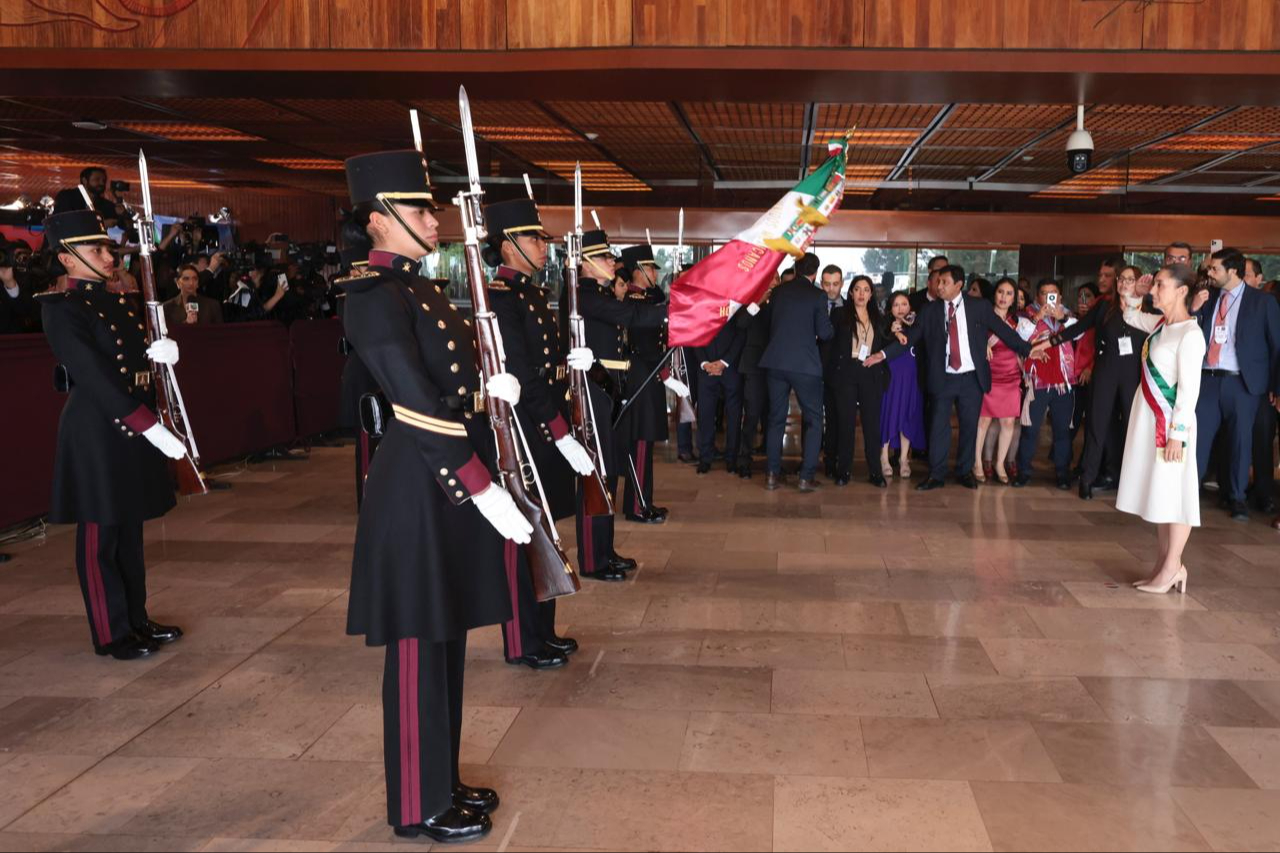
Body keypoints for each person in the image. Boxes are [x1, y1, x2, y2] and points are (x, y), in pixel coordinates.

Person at [339, 150, 526, 843]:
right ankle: (418, 801)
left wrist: (491, 386)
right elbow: (414, 401)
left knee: (445, 637)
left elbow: (450, 381)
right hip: (420, 486)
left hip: (443, 476)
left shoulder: (420, 288)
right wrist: (477, 479)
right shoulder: (371, 296)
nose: (432, 216)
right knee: (420, 645)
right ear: (378, 220)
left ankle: (441, 778)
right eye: (419, 208)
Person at [37, 210, 186, 661]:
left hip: (135, 420)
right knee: (101, 535)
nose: (107, 255)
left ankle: (136, 619)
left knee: (130, 530)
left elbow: (134, 361)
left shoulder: (119, 300)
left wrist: (163, 353)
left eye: (106, 246)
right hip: (98, 428)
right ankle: (111, 632)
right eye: (95, 249)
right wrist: (150, 426)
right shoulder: (60, 308)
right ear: (67, 260)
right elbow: (95, 377)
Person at [484, 197, 595, 669]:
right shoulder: (502, 297)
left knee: (545, 530)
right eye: (533, 238)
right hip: (525, 431)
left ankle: (543, 631)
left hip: (542, 426)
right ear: (508, 246)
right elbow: (524, 375)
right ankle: (522, 640)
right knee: (523, 537)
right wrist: (560, 430)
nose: (541, 246)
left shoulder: (529, 292)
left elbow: (543, 367)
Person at [869, 264, 1045, 490]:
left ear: (958, 285)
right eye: (938, 282)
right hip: (943, 377)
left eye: (944, 282)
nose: (939, 286)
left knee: (969, 426)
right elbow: (910, 338)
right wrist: (883, 354)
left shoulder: (979, 307)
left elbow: (1004, 332)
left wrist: (1028, 350)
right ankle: (937, 474)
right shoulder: (930, 311)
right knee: (938, 427)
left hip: (971, 378)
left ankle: (964, 471)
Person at [562, 230, 661, 581]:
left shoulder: (597, 293)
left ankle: (605, 549)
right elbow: (631, 316)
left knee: (609, 471)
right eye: (604, 258)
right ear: (586, 264)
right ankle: (591, 558)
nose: (612, 263)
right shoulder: (582, 296)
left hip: (606, 391)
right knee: (594, 475)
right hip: (589, 393)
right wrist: (677, 311)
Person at [1115, 265, 1207, 594]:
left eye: (1160, 285)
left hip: (1170, 427)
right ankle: (1164, 563)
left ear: (1182, 291)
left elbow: (1189, 391)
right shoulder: (1160, 325)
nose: (1154, 290)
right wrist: (1134, 293)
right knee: (1162, 494)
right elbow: (1129, 315)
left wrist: (1178, 435)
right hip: (1150, 418)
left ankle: (1174, 567)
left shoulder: (1190, 334)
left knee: (1177, 494)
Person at [1194, 247, 1280, 522]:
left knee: (1240, 442)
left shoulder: (1262, 302)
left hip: (1242, 382)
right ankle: (1186, 494)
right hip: (1207, 379)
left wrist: (1276, 387)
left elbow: (1277, 347)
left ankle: (1237, 498)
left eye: (1214, 269)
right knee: (1197, 439)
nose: (1209, 273)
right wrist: (1194, 309)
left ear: (1233, 271)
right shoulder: (1206, 299)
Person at [1050, 265, 1148, 500]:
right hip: (1105, 371)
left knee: (1132, 427)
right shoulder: (1105, 306)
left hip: (1133, 373)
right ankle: (1088, 478)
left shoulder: (1150, 308)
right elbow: (1080, 328)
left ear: (1139, 283)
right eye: (1121, 279)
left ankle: (1132, 481)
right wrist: (1050, 342)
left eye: (1130, 279)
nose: (1124, 283)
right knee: (1097, 424)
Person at [616, 244, 688, 521]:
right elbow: (644, 347)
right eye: (649, 268)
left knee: (646, 443)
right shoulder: (633, 303)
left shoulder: (647, 299)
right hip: (640, 377)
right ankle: (636, 506)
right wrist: (667, 377)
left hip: (649, 377)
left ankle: (644, 500)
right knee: (641, 442)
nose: (654, 274)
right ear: (636, 272)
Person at [759, 252, 833, 492]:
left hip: (776, 362)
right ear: (815, 273)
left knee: (775, 419)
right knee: (813, 420)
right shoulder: (818, 296)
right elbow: (824, 333)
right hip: (805, 365)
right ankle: (806, 477)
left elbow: (770, 324)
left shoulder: (779, 292)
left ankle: (772, 474)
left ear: (797, 268)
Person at [1012, 279, 1078, 490]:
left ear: (1060, 297)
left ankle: (1062, 472)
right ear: (1037, 297)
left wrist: (1063, 317)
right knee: (1030, 428)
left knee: (1062, 430)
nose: (1049, 297)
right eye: (1044, 293)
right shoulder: (1026, 315)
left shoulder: (1069, 316)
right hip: (1036, 381)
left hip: (1064, 381)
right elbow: (1020, 336)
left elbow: (1080, 333)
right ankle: (1024, 471)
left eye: (1054, 293)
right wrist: (1038, 316)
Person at [827, 275, 889, 487]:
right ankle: (843, 471)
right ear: (851, 292)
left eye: (866, 290)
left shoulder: (879, 317)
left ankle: (875, 472)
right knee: (846, 425)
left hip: (870, 372)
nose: (862, 294)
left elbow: (887, 342)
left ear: (871, 294)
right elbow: (829, 344)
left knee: (872, 425)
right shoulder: (839, 314)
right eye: (857, 289)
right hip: (846, 372)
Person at [974, 277, 1022, 484]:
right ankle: (976, 462)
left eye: (1009, 293)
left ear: (1014, 299)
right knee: (983, 420)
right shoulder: (982, 317)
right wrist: (981, 343)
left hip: (1011, 376)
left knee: (1008, 421)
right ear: (994, 294)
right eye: (1000, 292)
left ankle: (1000, 462)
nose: (1004, 297)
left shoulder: (1019, 322)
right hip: (988, 374)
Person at [734, 271, 779, 479]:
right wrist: (759, 302)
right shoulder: (751, 301)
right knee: (751, 415)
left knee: (774, 416)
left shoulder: (783, 302)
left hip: (777, 366)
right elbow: (740, 323)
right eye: (770, 278)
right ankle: (744, 460)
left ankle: (773, 461)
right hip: (753, 366)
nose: (773, 282)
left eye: (776, 278)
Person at [694, 304, 747, 475]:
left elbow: (741, 334)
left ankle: (731, 459)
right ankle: (705, 458)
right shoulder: (701, 303)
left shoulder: (737, 303)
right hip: (706, 367)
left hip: (730, 368)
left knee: (733, 415)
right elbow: (694, 333)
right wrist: (705, 363)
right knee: (705, 415)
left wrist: (724, 362)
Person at [880, 292, 925, 480]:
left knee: (908, 416)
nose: (900, 308)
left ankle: (904, 459)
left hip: (912, 380)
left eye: (904, 304)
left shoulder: (917, 326)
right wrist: (893, 332)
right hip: (891, 380)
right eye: (896, 305)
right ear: (890, 309)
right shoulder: (886, 328)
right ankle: (883, 458)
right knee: (889, 415)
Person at [818, 265, 846, 478]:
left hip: (838, 372)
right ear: (821, 283)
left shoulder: (849, 308)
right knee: (813, 416)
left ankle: (831, 459)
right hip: (813, 369)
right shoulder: (813, 305)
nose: (831, 289)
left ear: (842, 284)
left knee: (836, 418)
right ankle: (810, 456)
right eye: (827, 284)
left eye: (835, 284)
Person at [53, 167, 130, 228]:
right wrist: (101, 224)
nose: (101, 183)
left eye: (104, 180)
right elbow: (64, 224)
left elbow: (127, 227)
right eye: (97, 179)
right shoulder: (67, 197)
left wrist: (123, 214)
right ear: (84, 180)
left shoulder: (105, 204)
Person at [162, 264, 224, 328]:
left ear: (198, 283)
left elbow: (219, 333)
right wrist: (186, 323)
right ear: (178, 283)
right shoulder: (167, 308)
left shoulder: (212, 305)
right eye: (186, 279)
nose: (191, 283)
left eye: (195, 279)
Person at [0, 240, 40, 334]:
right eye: (12, 257)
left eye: (23, 257)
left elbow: (31, 313)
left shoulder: (38, 278)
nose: (17, 261)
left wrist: (10, 284)